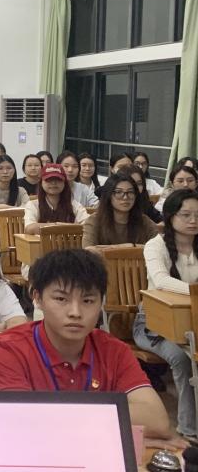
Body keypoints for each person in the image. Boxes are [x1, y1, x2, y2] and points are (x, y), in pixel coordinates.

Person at [0, 248, 185, 450]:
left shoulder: (115, 350)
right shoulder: (9, 349)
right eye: (61, 299)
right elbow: (21, 422)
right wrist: (117, 434)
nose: (75, 312)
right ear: (37, 298)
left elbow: (157, 421)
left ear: (101, 302)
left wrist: (55, 419)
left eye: (88, 301)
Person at [133, 189, 198, 443]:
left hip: (191, 321)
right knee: (182, 359)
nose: (193, 220)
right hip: (153, 324)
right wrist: (194, 292)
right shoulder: (156, 245)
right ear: (170, 216)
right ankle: (189, 428)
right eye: (186, 215)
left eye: (197, 215)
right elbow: (160, 280)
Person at [82, 172, 157, 248]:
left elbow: (159, 247)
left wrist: (131, 246)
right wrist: (128, 247)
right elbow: (88, 250)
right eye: (118, 192)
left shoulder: (144, 221)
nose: (125, 197)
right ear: (108, 195)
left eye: (130, 192)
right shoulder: (94, 221)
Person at [24, 164, 90, 235]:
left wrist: (56, 227)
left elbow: (89, 226)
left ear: (64, 183)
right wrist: (58, 226)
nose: (53, 183)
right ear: (41, 183)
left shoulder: (75, 205)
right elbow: (29, 228)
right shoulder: (33, 205)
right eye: (48, 180)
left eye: (58, 179)